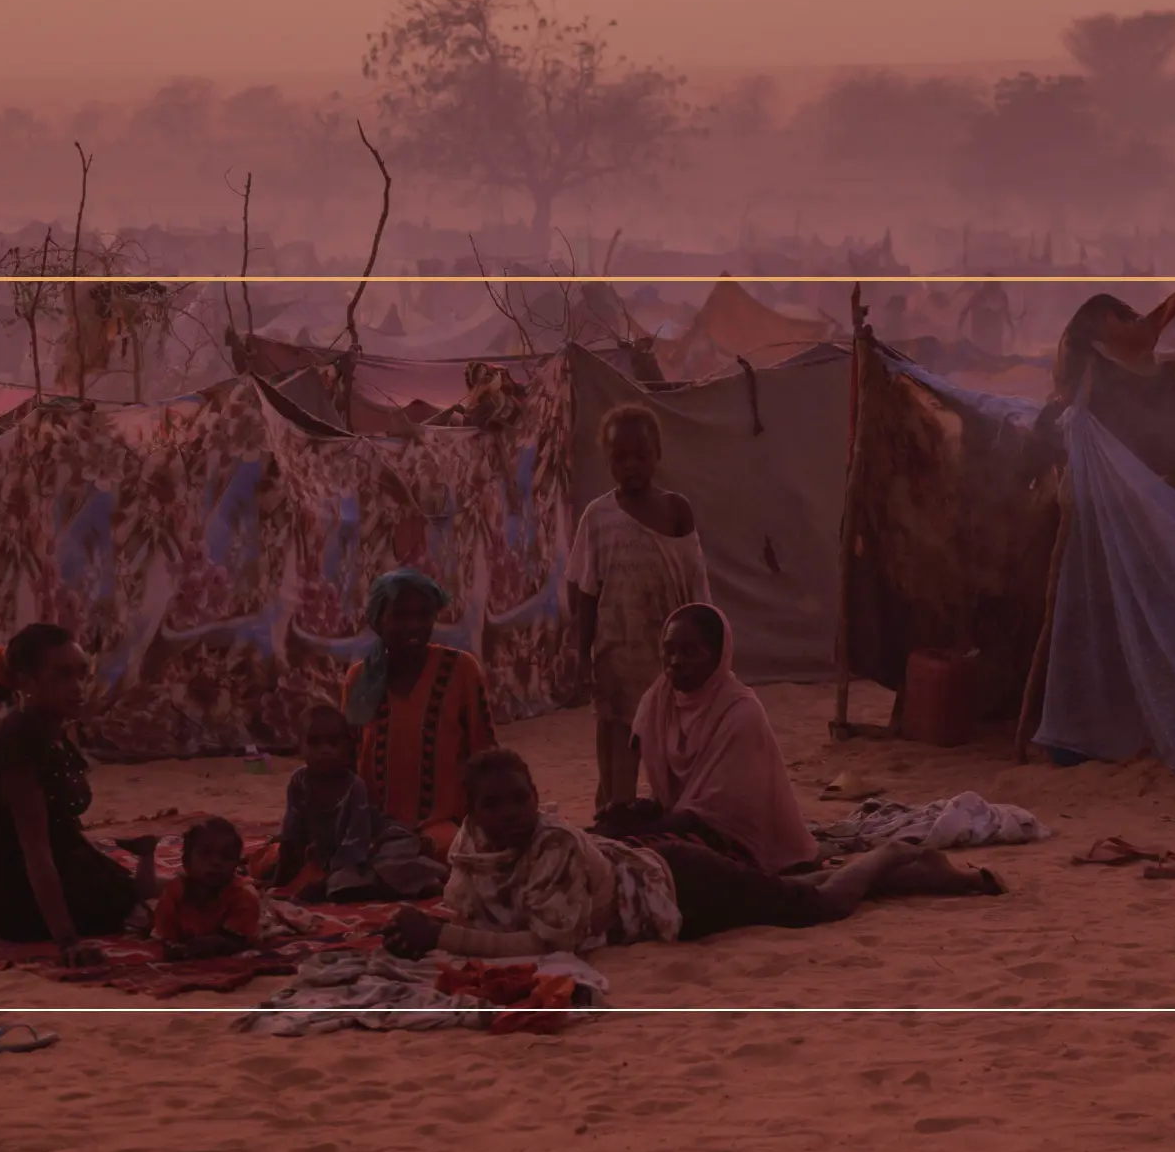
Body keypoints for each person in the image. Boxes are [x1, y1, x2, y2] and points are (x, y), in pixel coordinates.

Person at [383, 748, 1000, 957]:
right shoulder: (471, 849)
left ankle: (892, 853)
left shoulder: (553, 851)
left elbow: (549, 942)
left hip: (680, 889)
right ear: (473, 812)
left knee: (821, 906)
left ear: (536, 799)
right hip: (654, 866)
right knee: (796, 893)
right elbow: (470, 909)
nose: (509, 814)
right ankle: (939, 879)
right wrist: (427, 930)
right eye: (494, 805)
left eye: (520, 800)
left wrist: (440, 940)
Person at [0, 625, 162, 965]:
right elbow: (34, 850)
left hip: (56, 858)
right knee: (130, 909)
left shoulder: (50, 729)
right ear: (27, 682)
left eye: (81, 675)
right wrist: (67, 941)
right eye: (63, 676)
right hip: (14, 893)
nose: (77, 688)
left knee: (135, 890)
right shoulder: (20, 745)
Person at [566, 404, 710, 813]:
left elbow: (696, 583)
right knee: (618, 750)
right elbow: (586, 591)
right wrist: (582, 657)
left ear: (658, 454)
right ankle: (616, 823)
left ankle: (678, 825)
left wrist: (706, 643)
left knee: (677, 748)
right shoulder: (597, 517)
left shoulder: (676, 510)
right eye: (619, 457)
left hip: (671, 657)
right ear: (607, 459)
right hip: (617, 656)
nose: (630, 465)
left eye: (641, 455)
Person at [600, 604, 815, 874]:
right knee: (603, 839)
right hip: (684, 826)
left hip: (735, 842)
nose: (676, 661)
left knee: (642, 854)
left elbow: (713, 814)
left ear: (718, 657)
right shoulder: (659, 701)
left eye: (690, 652)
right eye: (669, 650)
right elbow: (668, 796)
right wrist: (632, 810)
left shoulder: (740, 713)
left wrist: (640, 828)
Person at [341, 569, 499, 858]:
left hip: (443, 825)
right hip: (376, 824)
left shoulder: (461, 670)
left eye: (423, 615)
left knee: (445, 849)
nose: (413, 625)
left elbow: (485, 752)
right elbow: (348, 758)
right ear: (378, 620)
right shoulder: (359, 680)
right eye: (400, 616)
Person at [264, 705, 449, 901]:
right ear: (299, 746)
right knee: (271, 860)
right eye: (314, 742)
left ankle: (422, 881)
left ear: (347, 748)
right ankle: (392, 886)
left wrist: (324, 881)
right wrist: (280, 881)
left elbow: (357, 843)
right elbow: (292, 834)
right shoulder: (298, 782)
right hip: (337, 856)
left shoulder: (354, 787)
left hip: (373, 844)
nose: (324, 750)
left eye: (333, 743)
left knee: (379, 866)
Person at [153, 816, 264, 962]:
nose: (216, 862)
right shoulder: (174, 894)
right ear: (186, 862)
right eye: (205, 854)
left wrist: (216, 943)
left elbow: (238, 942)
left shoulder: (243, 897)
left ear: (236, 864)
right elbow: (164, 938)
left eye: (226, 856)